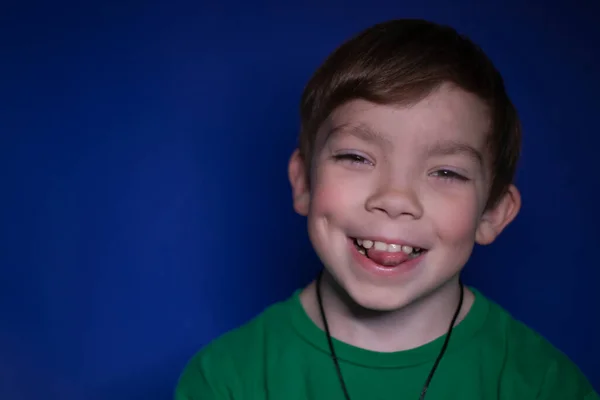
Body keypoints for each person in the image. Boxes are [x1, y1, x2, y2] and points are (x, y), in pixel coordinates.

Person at [174, 19, 599, 399]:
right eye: (357, 158)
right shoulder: (225, 381)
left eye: (447, 172)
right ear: (303, 182)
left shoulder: (545, 385)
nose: (395, 199)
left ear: (491, 213)